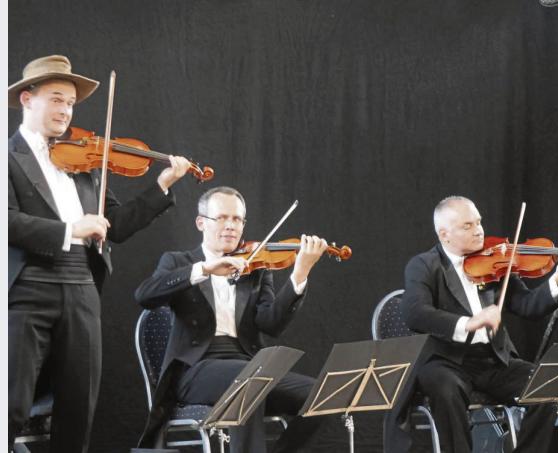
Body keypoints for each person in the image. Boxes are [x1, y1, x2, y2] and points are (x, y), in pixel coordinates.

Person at [8, 55, 192, 453]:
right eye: (57, 99)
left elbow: (117, 226)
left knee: (79, 407)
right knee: (11, 405)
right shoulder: (7, 157)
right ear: (27, 99)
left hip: (81, 285)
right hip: (28, 288)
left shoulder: (84, 162)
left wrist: (160, 186)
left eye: (71, 103)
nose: (66, 110)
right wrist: (70, 229)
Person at [134, 186, 327, 452]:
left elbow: (271, 324)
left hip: (250, 367)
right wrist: (203, 269)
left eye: (237, 219)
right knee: (250, 379)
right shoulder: (179, 261)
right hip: (195, 371)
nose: (230, 226)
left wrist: (299, 275)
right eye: (222, 218)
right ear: (201, 223)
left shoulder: (255, 267)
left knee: (323, 394)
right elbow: (145, 296)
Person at [388, 196, 558, 452]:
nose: (479, 230)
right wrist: (468, 322)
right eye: (467, 226)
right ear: (444, 234)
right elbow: (415, 313)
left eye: (479, 222)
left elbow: (528, 306)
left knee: (546, 389)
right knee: (445, 390)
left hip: (493, 360)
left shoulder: (495, 260)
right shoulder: (424, 265)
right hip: (445, 361)